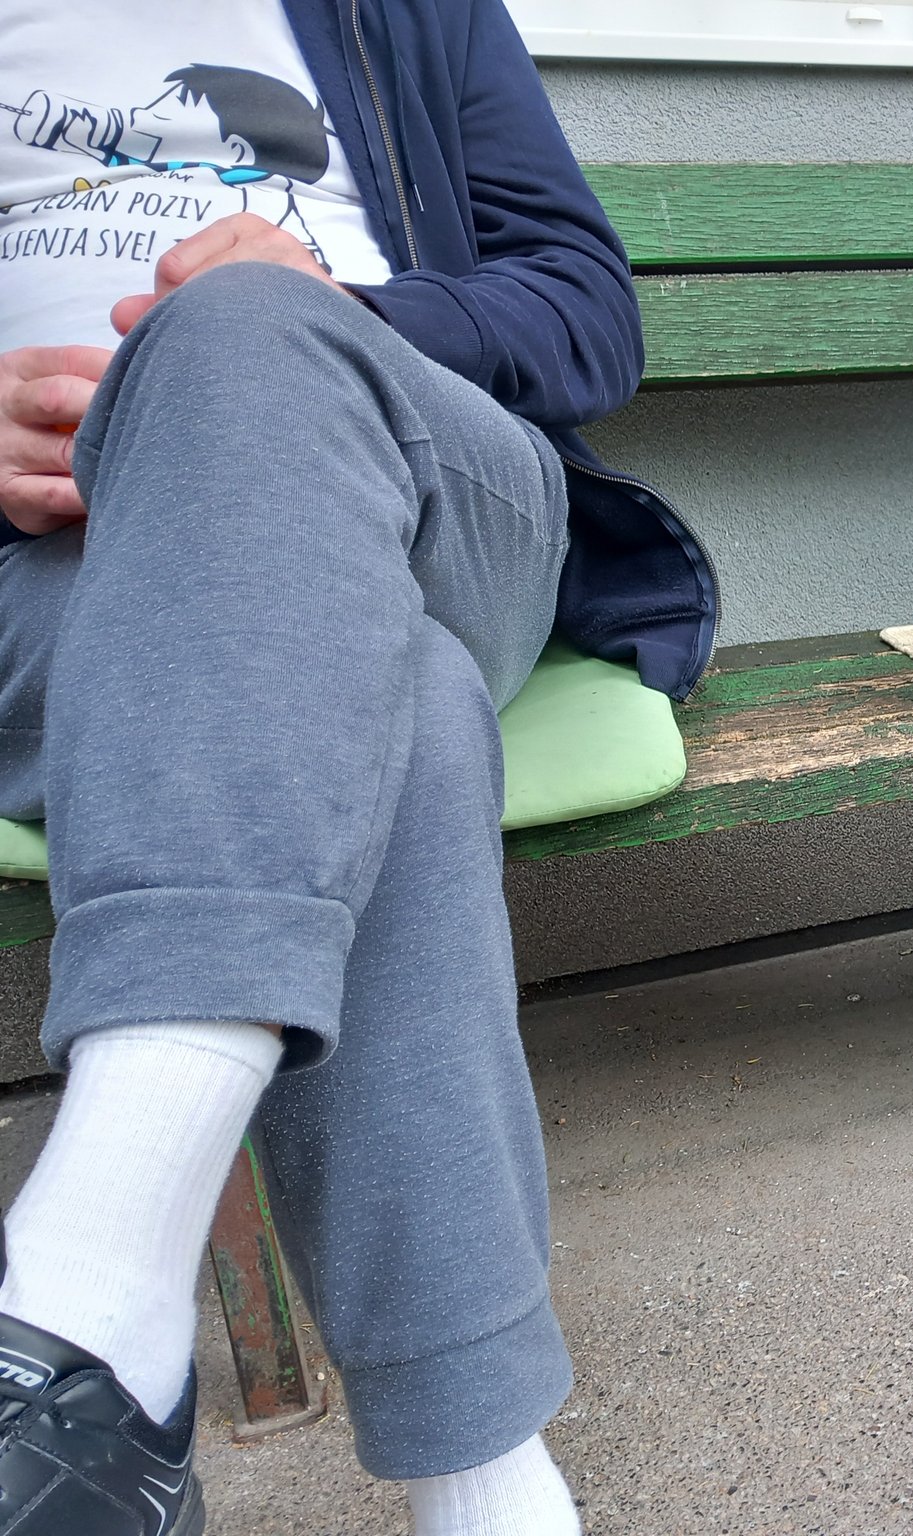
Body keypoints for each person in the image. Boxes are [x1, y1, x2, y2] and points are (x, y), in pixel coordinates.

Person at [0, 2, 717, 1532]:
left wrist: (337, 310)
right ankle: (486, 1482)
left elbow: (585, 307)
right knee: (405, 702)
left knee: (242, 335)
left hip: (426, 487)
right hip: (52, 565)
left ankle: (85, 1288)